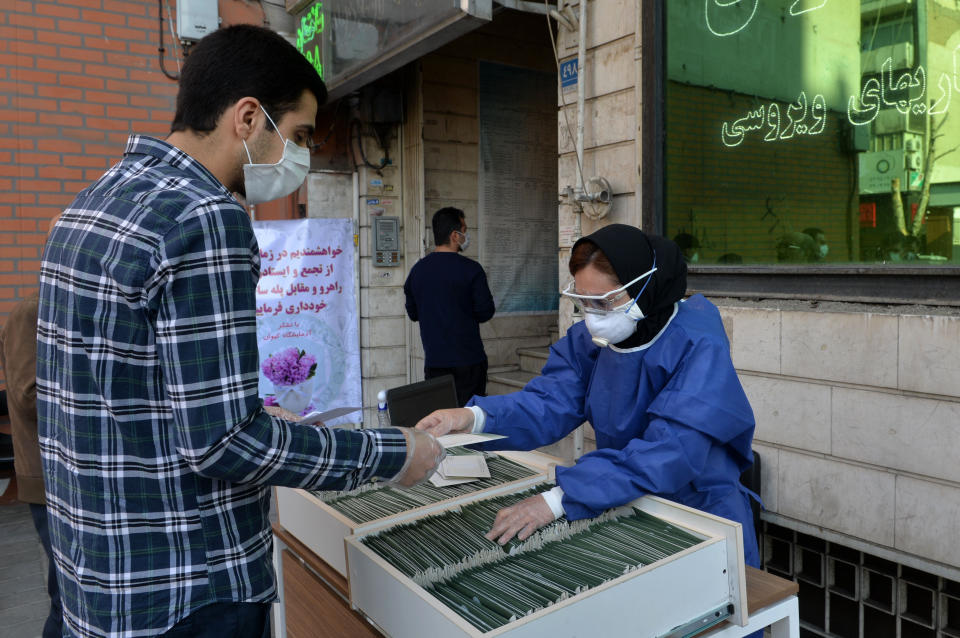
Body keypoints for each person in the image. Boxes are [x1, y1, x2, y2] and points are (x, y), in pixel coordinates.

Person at [37, 25, 443, 638]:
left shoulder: (95, 202)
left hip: (97, 577)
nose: (302, 158)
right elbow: (225, 443)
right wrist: (394, 453)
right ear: (249, 118)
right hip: (190, 587)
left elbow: (130, 393)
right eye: (300, 135)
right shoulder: (207, 217)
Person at [416, 224, 760, 571]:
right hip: (621, 496)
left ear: (643, 287)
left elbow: (671, 450)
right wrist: (474, 418)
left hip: (699, 510)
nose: (593, 317)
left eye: (605, 302)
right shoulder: (591, 341)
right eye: (584, 302)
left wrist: (558, 499)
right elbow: (549, 402)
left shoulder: (697, 343)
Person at [0, 294, 63, 638]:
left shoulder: (59, 307)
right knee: (65, 598)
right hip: (46, 475)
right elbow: (29, 397)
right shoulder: (31, 311)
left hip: (68, 474)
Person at [404, 207, 496, 406]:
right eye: (465, 229)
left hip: (435, 363)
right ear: (455, 235)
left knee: (439, 421)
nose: (467, 235)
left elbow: (413, 313)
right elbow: (485, 312)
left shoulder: (417, 271)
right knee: (469, 424)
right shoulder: (472, 270)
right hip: (469, 362)